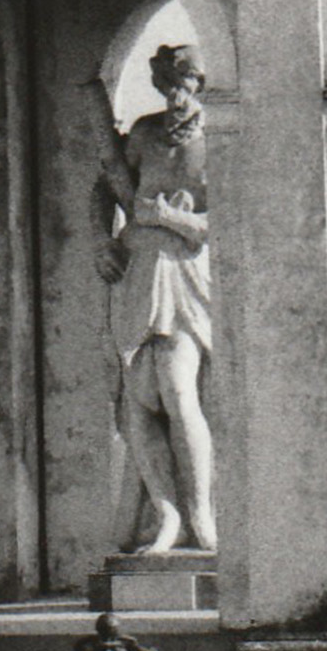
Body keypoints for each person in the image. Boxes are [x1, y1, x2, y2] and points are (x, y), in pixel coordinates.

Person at [87, 43, 215, 555]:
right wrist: (102, 239)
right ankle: (166, 513)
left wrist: (169, 218)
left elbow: (218, 221)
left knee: (179, 391)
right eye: (167, 86)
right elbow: (105, 189)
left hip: (186, 276)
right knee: (137, 400)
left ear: (199, 85)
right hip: (138, 270)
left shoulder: (216, 137)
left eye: (183, 86)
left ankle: (201, 512)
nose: (174, 96)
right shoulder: (143, 133)